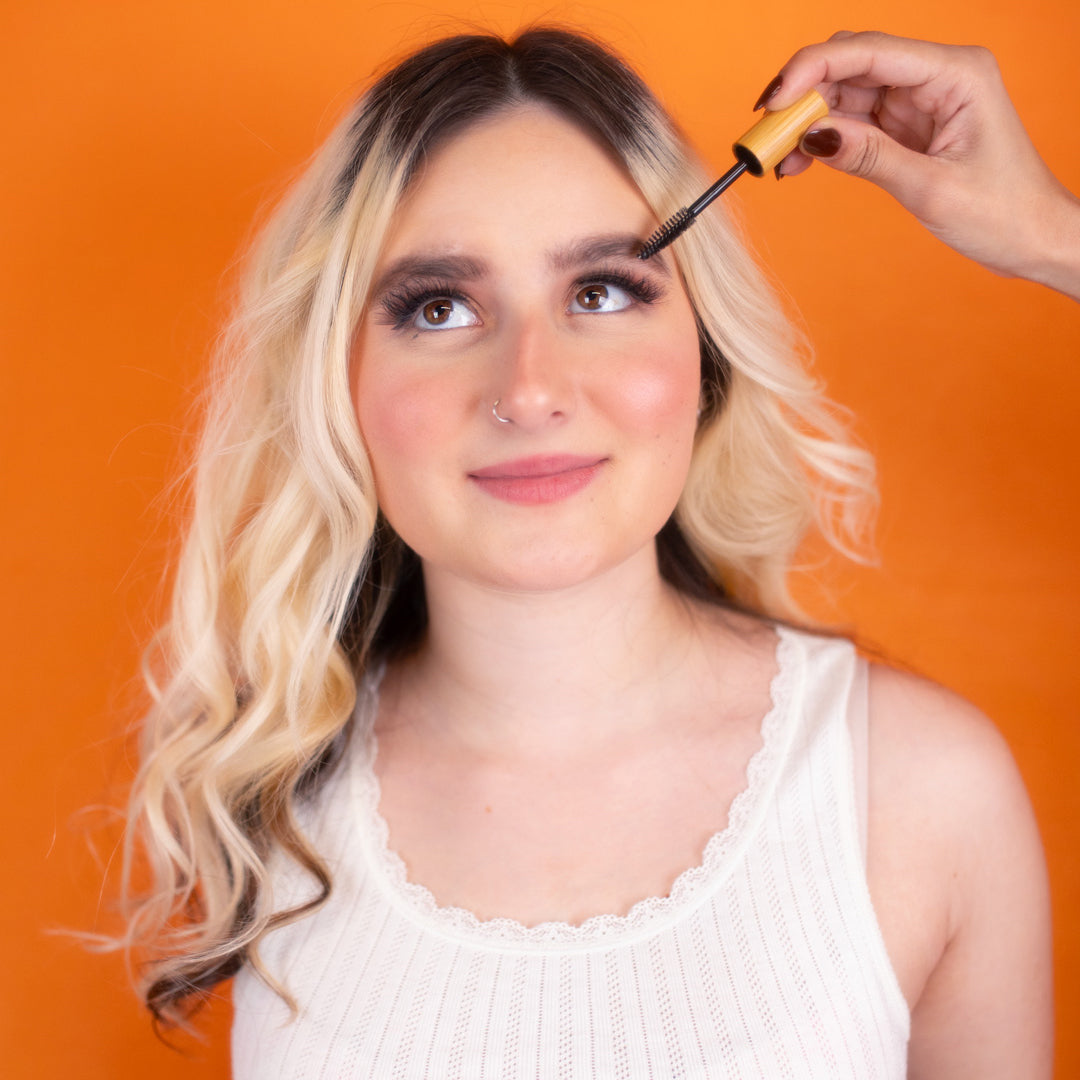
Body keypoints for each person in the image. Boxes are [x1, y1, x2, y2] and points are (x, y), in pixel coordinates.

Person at [116, 26, 1076, 1079]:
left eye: (603, 291)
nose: (529, 389)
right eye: (438, 307)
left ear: (705, 352)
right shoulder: (268, 785)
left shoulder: (920, 792)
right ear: (336, 380)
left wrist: (1052, 237)